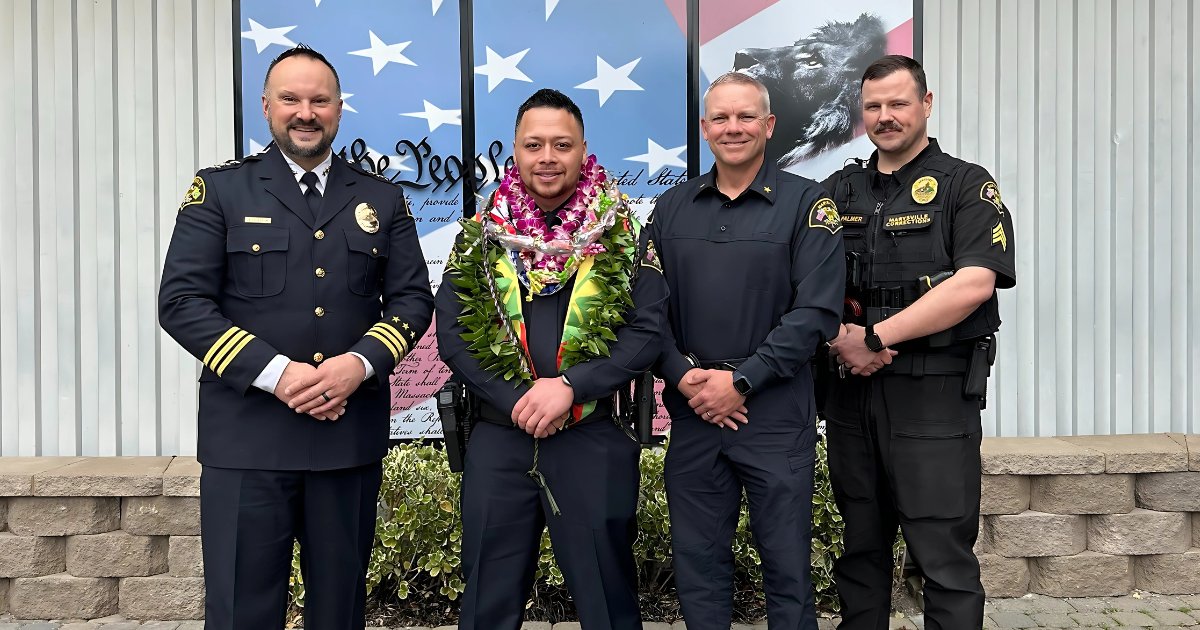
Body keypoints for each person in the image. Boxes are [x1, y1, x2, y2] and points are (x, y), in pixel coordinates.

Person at [158, 45, 433, 629]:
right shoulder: (220, 191)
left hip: (346, 437)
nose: (305, 112)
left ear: (338, 109)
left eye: (319, 100)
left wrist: (357, 364)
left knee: (339, 611)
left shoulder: (380, 198)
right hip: (247, 443)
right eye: (291, 99)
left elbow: (412, 300)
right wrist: (278, 373)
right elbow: (181, 303)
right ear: (266, 107)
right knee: (241, 612)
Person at [436, 88, 668, 630]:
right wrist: (519, 399)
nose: (547, 157)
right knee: (486, 599)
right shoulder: (479, 235)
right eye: (533, 144)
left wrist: (571, 386)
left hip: (590, 434)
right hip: (500, 435)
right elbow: (452, 333)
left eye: (561, 145)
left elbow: (646, 331)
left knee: (607, 596)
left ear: (583, 150)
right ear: (514, 150)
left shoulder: (624, 235)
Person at [820, 55, 1017, 630]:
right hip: (853, 396)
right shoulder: (841, 189)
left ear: (926, 105)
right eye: (874, 106)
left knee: (942, 557)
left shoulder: (967, 185)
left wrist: (878, 336)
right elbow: (804, 278)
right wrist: (843, 339)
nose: (885, 116)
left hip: (933, 397)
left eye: (898, 103)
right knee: (859, 552)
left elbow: (975, 282)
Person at [648, 72, 845, 630]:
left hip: (776, 413)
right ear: (705, 127)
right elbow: (647, 313)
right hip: (694, 412)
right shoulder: (670, 209)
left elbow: (816, 314)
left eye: (745, 117)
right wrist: (684, 375)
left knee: (787, 571)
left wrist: (741, 381)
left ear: (768, 125)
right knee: (698, 567)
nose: (732, 128)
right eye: (721, 118)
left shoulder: (809, 204)